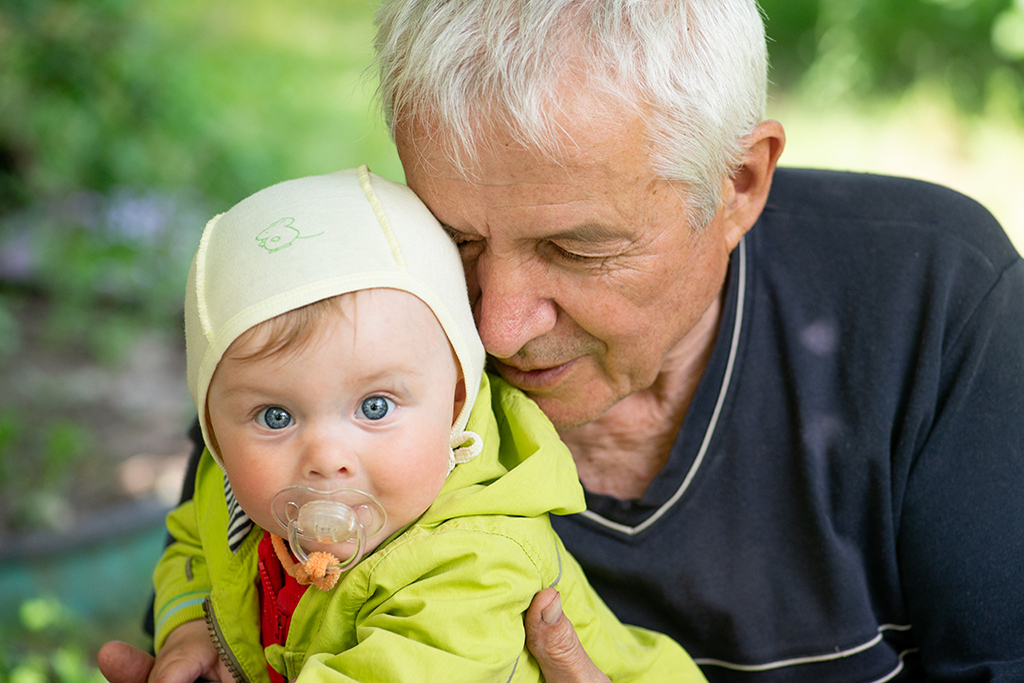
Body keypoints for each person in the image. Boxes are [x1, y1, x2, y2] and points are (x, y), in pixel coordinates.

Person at [101, 0, 1024, 681]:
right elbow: (214, 584)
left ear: (737, 185)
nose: (496, 325)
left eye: (578, 249)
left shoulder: (934, 306)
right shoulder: (341, 345)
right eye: (456, 239)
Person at [130, 166, 705, 683]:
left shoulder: (471, 565)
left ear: (455, 401)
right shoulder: (234, 491)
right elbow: (197, 541)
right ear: (214, 429)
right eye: (275, 416)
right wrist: (189, 627)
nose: (326, 457)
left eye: (375, 407)